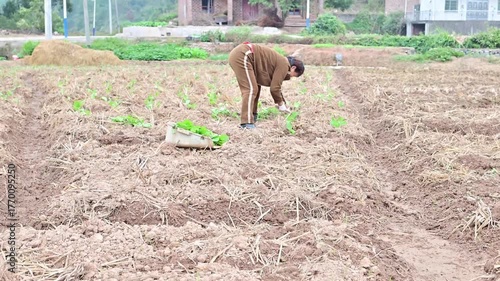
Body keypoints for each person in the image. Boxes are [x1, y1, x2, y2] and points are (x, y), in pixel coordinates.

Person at [228, 42, 305, 129]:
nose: (290, 76)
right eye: (293, 75)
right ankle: (246, 122)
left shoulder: (281, 62)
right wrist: (281, 104)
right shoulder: (284, 64)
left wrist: (282, 102)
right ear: (293, 68)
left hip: (243, 54)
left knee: (255, 87)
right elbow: (275, 88)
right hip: (243, 54)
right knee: (250, 89)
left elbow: (276, 86)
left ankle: (252, 115)